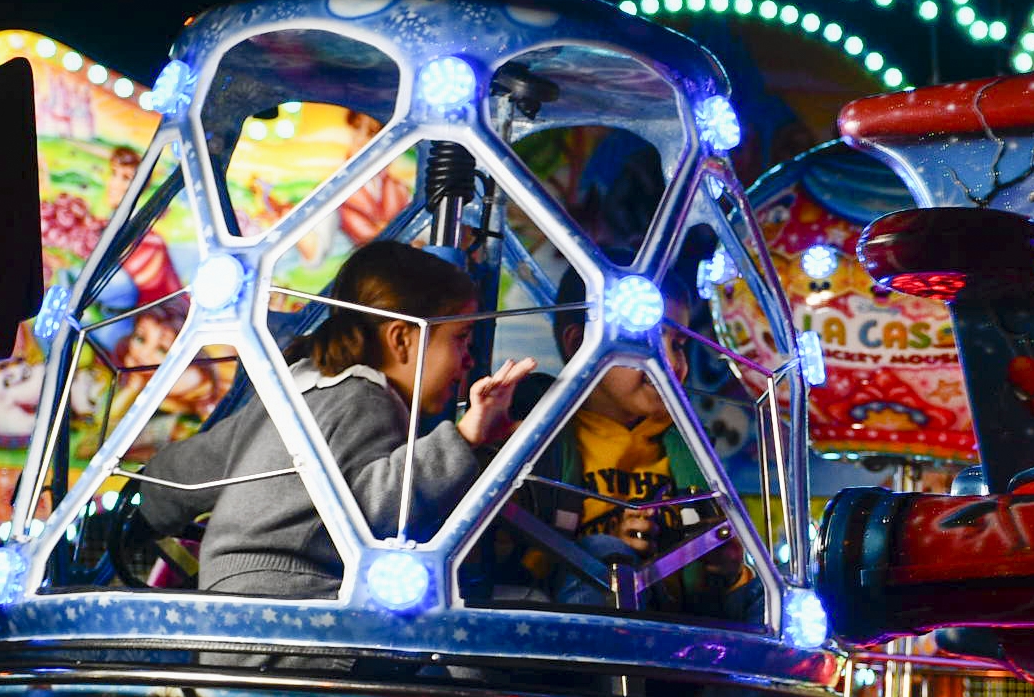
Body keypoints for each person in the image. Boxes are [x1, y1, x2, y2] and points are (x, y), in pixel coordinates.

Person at [136, 240, 531, 598]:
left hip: (223, 598)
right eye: (461, 338)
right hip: (295, 602)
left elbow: (189, 471)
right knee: (468, 635)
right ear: (401, 339)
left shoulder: (294, 391)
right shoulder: (366, 399)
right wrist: (465, 438)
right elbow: (373, 511)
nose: (469, 360)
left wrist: (147, 505)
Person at [503, 264, 747, 614]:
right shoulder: (539, 436)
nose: (671, 364)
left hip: (674, 613)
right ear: (579, 343)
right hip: (568, 616)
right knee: (604, 552)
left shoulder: (687, 447)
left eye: (677, 344)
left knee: (764, 591)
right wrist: (617, 555)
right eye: (645, 340)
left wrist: (729, 568)